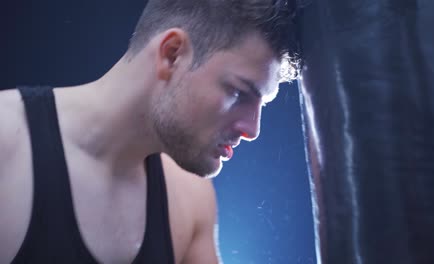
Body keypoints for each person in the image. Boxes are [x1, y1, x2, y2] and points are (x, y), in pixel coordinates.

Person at [0, 0, 299, 263]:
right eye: (238, 93)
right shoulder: (6, 138)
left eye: (262, 104)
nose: (252, 129)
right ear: (172, 54)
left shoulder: (191, 199)